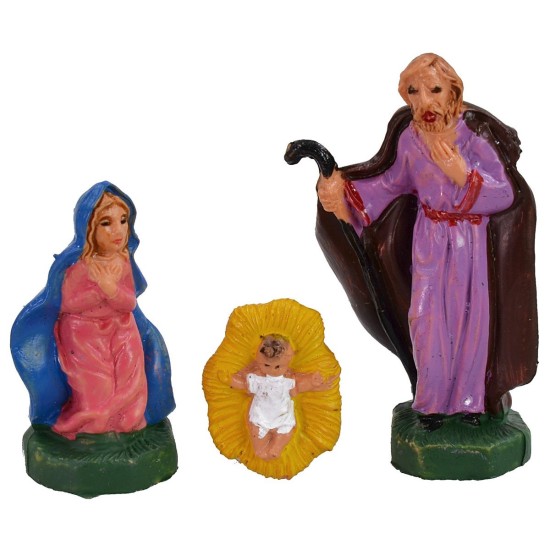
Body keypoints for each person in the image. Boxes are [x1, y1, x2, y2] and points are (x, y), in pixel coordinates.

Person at [315, 53, 537, 427]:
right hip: (430, 239)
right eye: (414, 92)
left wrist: (461, 173)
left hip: (468, 242)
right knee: (426, 317)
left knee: (469, 318)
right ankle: (432, 401)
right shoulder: (411, 140)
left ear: (453, 93)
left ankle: (469, 401)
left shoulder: (473, 139)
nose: (425, 102)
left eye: (434, 90)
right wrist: (345, 196)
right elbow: (390, 184)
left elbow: (504, 193)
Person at [11, 182, 174, 437]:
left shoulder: (122, 261)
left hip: (122, 328)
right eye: (106, 223)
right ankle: (91, 424)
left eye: (123, 220)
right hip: (83, 333)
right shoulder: (80, 266)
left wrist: (111, 289)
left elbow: (129, 302)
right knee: (98, 388)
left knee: (130, 380)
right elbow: (67, 304)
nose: (118, 230)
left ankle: (125, 424)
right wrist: (98, 291)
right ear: (88, 229)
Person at [231, 334, 335, 459]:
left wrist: (311, 382)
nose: (272, 370)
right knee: (256, 435)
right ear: (259, 361)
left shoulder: (287, 381)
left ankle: (277, 447)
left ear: (287, 363)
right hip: (261, 417)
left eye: (278, 366)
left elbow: (299, 386)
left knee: (286, 432)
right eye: (266, 365)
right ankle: (260, 452)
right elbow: (244, 384)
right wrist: (230, 380)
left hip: (282, 417)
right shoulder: (258, 380)